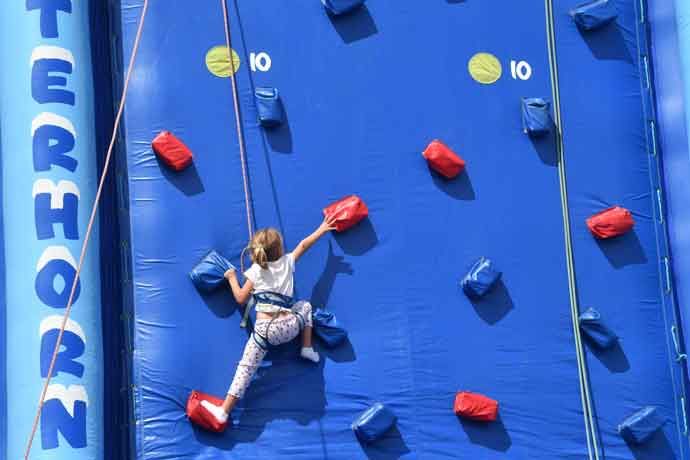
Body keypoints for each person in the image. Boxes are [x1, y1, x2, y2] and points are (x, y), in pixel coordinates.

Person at [201, 216, 337, 424]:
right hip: (291, 328)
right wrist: (322, 228)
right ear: (280, 250)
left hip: (266, 333)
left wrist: (230, 277)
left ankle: (224, 410)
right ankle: (307, 348)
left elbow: (240, 299)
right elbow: (303, 244)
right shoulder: (288, 261)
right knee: (306, 306)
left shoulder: (256, 271)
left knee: (246, 368)